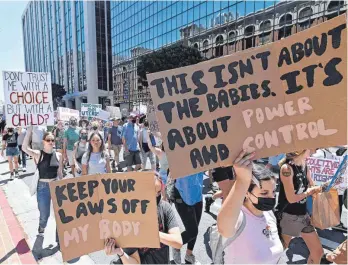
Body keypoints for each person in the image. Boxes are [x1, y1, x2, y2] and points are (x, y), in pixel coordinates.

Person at [217, 150, 284, 264]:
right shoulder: (238, 217)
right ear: (247, 193)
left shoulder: (268, 214)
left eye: (273, 192)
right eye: (264, 193)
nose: (271, 197)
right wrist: (242, 180)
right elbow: (224, 229)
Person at [105, 173, 182, 264]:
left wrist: (152, 234)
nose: (156, 197)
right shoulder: (129, 220)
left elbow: (178, 242)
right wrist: (120, 253)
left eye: (158, 192)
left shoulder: (164, 208)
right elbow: (136, 262)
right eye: (151, 193)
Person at [277, 150, 323, 264]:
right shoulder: (286, 169)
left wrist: (322, 189)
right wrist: (309, 192)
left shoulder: (304, 164)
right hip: (289, 217)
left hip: (304, 216)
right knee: (278, 251)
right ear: (301, 150)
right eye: (310, 148)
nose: (314, 150)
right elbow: (291, 198)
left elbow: (312, 185)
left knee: (318, 252)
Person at [22, 126, 63, 236]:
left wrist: (63, 185)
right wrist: (29, 131)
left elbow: (60, 172)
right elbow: (24, 148)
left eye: (52, 140)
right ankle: (42, 226)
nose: (50, 142)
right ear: (43, 141)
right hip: (43, 187)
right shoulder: (38, 154)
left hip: (56, 186)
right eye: (48, 140)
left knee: (60, 212)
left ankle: (59, 234)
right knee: (45, 214)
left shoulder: (59, 155)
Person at [173, 172, 204, 264]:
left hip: (197, 193)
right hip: (182, 193)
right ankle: (176, 245)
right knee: (192, 231)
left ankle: (189, 255)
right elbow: (164, 165)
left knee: (195, 228)